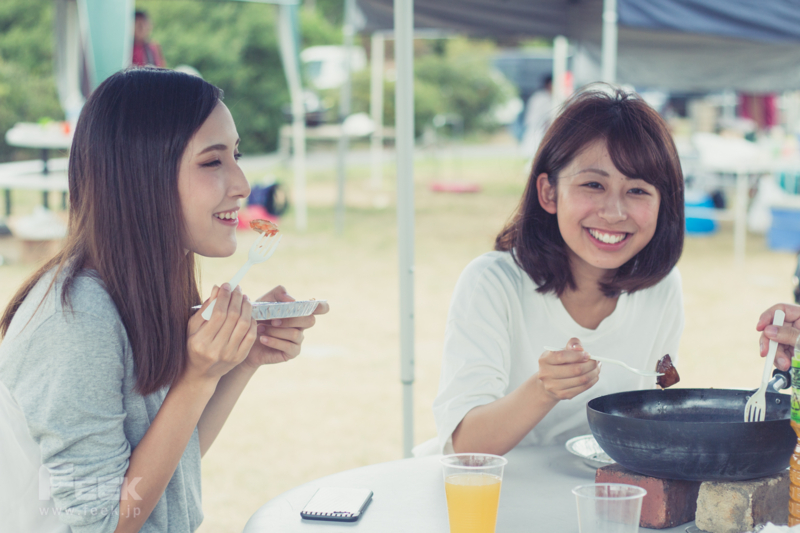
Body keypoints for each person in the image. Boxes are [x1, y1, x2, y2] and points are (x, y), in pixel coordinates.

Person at [0, 68, 329, 532]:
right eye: (212, 162)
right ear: (141, 174)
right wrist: (195, 378)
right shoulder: (76, 320)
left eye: (235, 155)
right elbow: (101, 524)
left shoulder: (137, 291)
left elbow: (169, 461)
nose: (241, 182)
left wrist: (239, 362)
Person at [432, 87, 686, 456]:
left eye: (637, 190)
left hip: (602, 498)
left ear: (663, 203)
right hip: (501, 500)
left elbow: (650, 416)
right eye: (593, 185)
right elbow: (463, 447)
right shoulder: (493, 283)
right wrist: (544, 389)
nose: (614, 212)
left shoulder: (661, 288)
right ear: (548, 193)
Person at [519, 75, 554, 159]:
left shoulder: (544, 96)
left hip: (539, 129)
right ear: (549, 84)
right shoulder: (541, 97)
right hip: (537, 128)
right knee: (534, 153)